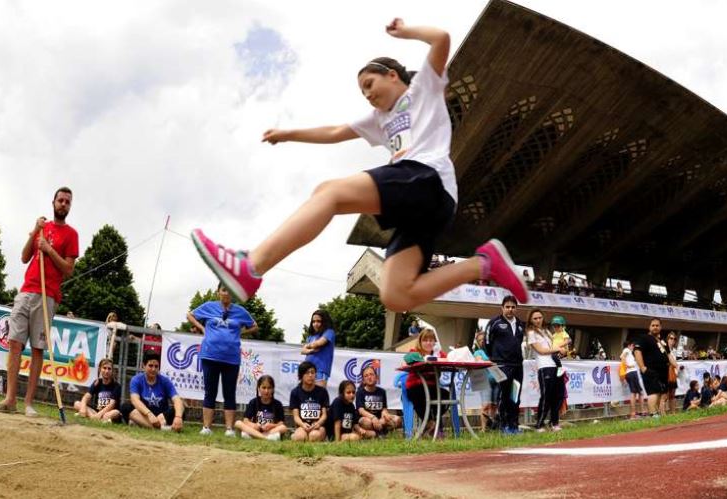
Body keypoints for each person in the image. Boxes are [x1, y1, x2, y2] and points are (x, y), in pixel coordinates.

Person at [190, 18, 528, 312]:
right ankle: (482, 265)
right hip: (424, 205)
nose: (367, 95)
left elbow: (440, 38)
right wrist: (289, 133)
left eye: (370, 84)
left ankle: (252, 266)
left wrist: (406, 31)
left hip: (427, 179)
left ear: (393, 75)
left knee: (329, 192)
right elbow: (336, 131)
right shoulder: (379, 119)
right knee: (396, 295)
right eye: (362, 91)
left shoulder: (422, 88)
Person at [0, 187, 79, 416]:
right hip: (26, 291)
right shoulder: (42, 227)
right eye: (60, 200)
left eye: (67, 202)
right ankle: (10, 399)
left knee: (38, 348)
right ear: (53, 202)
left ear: (70, 206)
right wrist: (35, 232)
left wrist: (48, 250)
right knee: (15, 343)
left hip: (48, 296)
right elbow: (24, 257)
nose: (63, 204)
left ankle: (28, 402)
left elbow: (68, 269)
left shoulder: (71, 234)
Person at [187, 282, 259, 437]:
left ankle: (229, 429)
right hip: (210, 355)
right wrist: (202, 328)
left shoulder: (240, 311)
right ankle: (206, 427)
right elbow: (190, 315)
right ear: (218, 291)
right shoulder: (208, 306)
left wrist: (241, 333)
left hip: (231, 359)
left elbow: (254, 326)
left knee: (229, 393)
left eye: (230, 290)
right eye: (224, 290)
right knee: (209, 392)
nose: (226, 293)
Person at [484, 295, 526, 434]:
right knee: (504, 395)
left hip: (517, 366)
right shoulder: (494, 323)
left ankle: (514, 425)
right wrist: (495, 358)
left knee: (515, 396)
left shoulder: (520, 324)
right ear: (502, 308)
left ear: (516, 308)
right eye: (507, 307)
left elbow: (519, 343)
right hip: (501, 365)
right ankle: (503, 426)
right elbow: (487, 343)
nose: (510, 309)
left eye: (513, 307)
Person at [120, 351, 185, 432]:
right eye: (150, 366)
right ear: (143, 366)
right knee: (125, 406)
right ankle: (161, 429)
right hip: (144, 415)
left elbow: (177, 400)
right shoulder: (136, 380)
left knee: (180, 408)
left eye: (156, 366)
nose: (153, 369)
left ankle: (141, 424)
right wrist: (149, 414)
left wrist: (178, 417)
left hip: (161, 417)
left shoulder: (165, 381)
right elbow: (135, 400)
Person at [525, 309, 566, 432]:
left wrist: (561, 350)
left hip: (556, 365)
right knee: (546, 396)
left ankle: (554, 423)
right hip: (544, 367)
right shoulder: (531, 333)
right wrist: (557, 348)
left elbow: (552, 348)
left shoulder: (548, 331)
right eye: (535, 318)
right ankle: (540, 424)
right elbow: (541, 351)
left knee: (558, 395)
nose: (538, 320)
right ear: (531, 320)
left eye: (540, 317)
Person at [404, 328, 449, 434]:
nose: (428, 343)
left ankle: (432, 423)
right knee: (419, 394)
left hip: (432, 387)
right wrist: (423, 359)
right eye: (425, 340)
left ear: (435, 342)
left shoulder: (438, 353)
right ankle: (430, 423)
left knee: (446, 395)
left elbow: (449, 359)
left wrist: (438, 356)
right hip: (415, 386)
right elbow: (408, 358)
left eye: (431, 340)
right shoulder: (414, 352)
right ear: (420, 341)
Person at [633, 318, 669, 417]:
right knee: (653, 392)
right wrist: (643, 367)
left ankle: (657, 413)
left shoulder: (662, 341)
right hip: (650, 370)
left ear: (660, 327)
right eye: (653, 325)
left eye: (657, 325)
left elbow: (668, 355)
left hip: (663, 371)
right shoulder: (644, 338)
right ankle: (653, 414)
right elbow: (637, 351)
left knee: (660, 393)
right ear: (649, 327)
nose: (655, 327)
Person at [234, 375, 288, 441]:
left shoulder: (278, 404)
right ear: (259, 388)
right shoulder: (253, 402)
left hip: (269, 431)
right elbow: (246, 420)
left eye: (269, 388)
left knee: (283, 428)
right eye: (264, 388)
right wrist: (254, 425)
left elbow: (281, 423)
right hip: (256, 429)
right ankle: (265, 438)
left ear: (273, 389)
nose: (266, 391)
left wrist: (272, 425)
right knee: (238, 423)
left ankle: (256, 437)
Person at [290, 361, 329, 442]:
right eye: (307, 373)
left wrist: (318, 423)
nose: (310, 375)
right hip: (302, 425)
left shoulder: (322, 392)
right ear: (301, 375)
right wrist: (302, 425)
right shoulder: (295, 392)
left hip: (318, 426)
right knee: (300, 438)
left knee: (314, 436)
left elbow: (324, 415)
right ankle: (295, 435)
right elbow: (296, 416)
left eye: (313, 372)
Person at [356, 365, 401, 435]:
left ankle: (377, 432)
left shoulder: (382, 391)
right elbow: (361, 411)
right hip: (367, 419)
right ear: (363, 380)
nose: (369, 377)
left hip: (380, 419)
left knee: (397, 420)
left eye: (371, 374)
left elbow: (384, 408)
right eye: (366, 376)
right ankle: (380, 432)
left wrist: (385, 414)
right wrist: (373, 418)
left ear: (376, 377)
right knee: (366, 422)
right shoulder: (360, 392)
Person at [74, 358, 121, 423]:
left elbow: (112, 405)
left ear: (112, 371)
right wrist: (83, 408)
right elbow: (86, 397)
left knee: (115, 412)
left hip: (109, 412)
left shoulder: (116, 386)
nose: (106, 371)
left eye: (109, 369)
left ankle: (92, 417)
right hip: (96, 412)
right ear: (100, 369)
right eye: (104, 368)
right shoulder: (97, 383)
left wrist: (99, 414)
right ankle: (96, 419)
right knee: (77, 404)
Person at [301, 309, 335, 388]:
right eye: (313, 321)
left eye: (318, 321)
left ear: (325, 321)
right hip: (306, 371)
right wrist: (312, 350)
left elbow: (319, 343)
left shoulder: (329, 332)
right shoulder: (311, 336)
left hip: (320, 371)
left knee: (318, 398)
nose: (315, 324)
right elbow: (302, 351)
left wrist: (308, 347)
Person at [472, 330, 498, 431]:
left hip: (497, 380)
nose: (482, 341)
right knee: (485, 405)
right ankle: (483, 430)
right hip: (485, 381)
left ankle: (492, 427)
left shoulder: (495, 350)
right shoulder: (477, 352)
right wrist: (491, 362)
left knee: (494, 405)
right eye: (479, 340)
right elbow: (479, 361)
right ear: (477, 343)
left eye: (483, 339)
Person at [621, 339, 647, 419]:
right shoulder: (626, 350)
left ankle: (637, 412)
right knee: (637, 393)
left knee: (636, 393)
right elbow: (622, 357)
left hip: (631, 373)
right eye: (632, 346)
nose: (633, 348)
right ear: (629, 345)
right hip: (632, 373)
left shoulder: (630, 353)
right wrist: (627, 365)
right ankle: (637, 412)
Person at [664, 332, 680, 414]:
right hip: (666, 374)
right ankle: (662, 413)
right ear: (667, 339)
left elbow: (675, 363)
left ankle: (673, 412)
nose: (672, 340)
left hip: (673, 374)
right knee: (664, 396)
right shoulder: (664, 349)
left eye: (674, 339)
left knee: (672, 395)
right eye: (671, 338)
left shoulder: (675, 351)